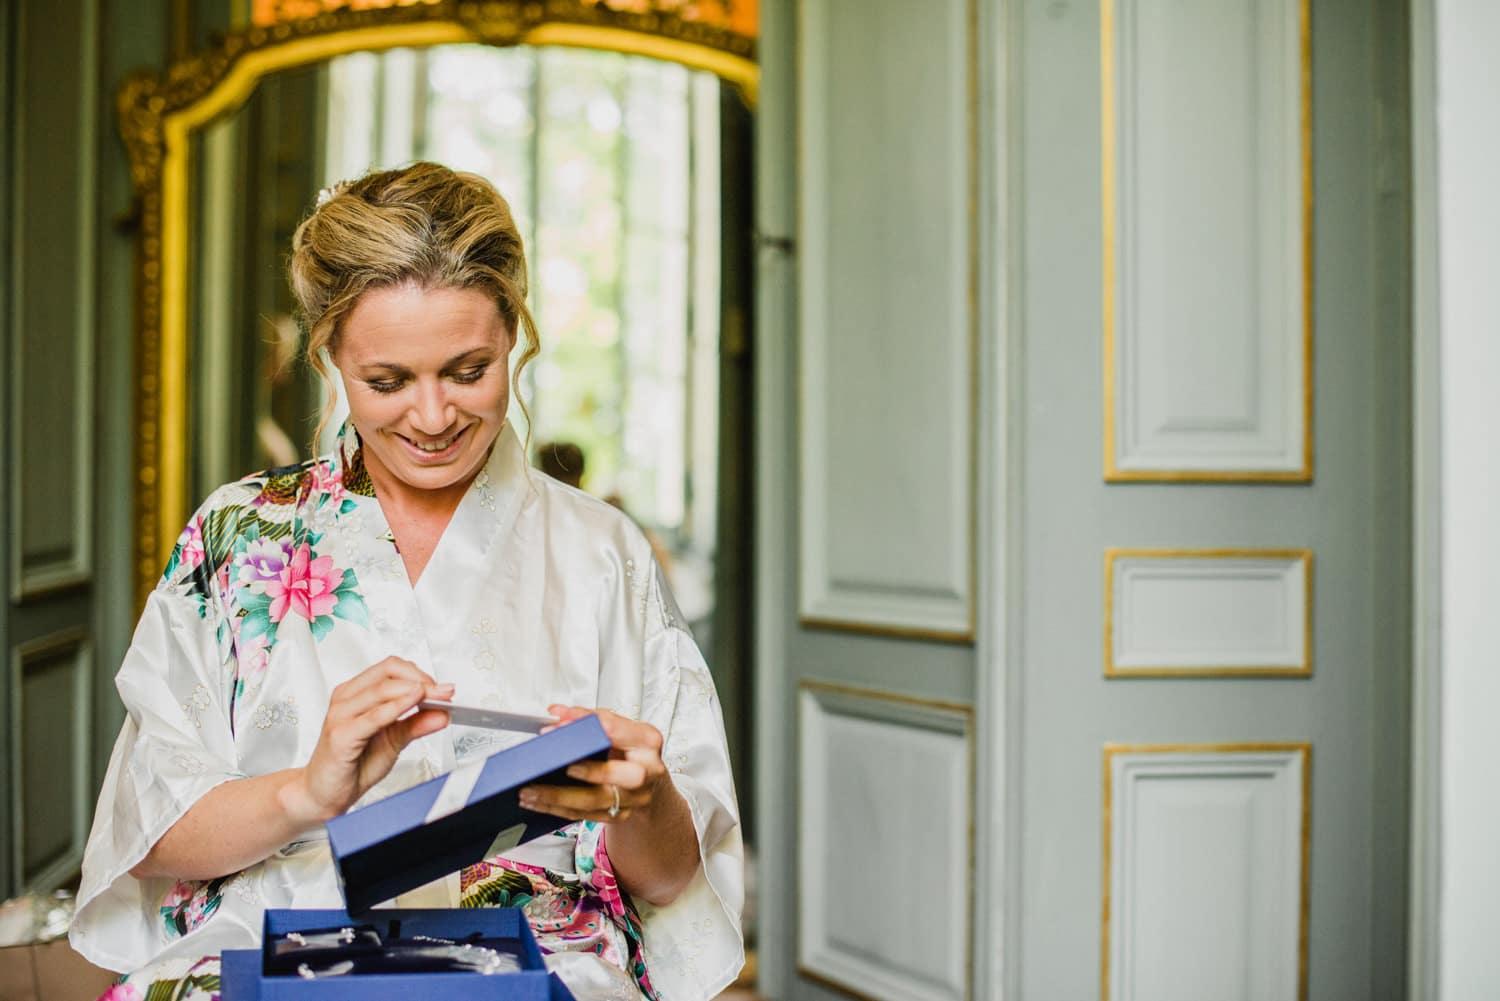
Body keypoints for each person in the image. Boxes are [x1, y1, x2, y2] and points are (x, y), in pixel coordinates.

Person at [70, 163, 744, 1001]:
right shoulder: (239, 534)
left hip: (538, 952)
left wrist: (644, 802)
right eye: (386, 382)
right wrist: (308, 789)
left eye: (468, 370)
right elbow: (151, 834)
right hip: (274, 942)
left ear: (516, 340)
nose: (431, 419)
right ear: (328, 356)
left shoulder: (602, 551)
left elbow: (673, 880)